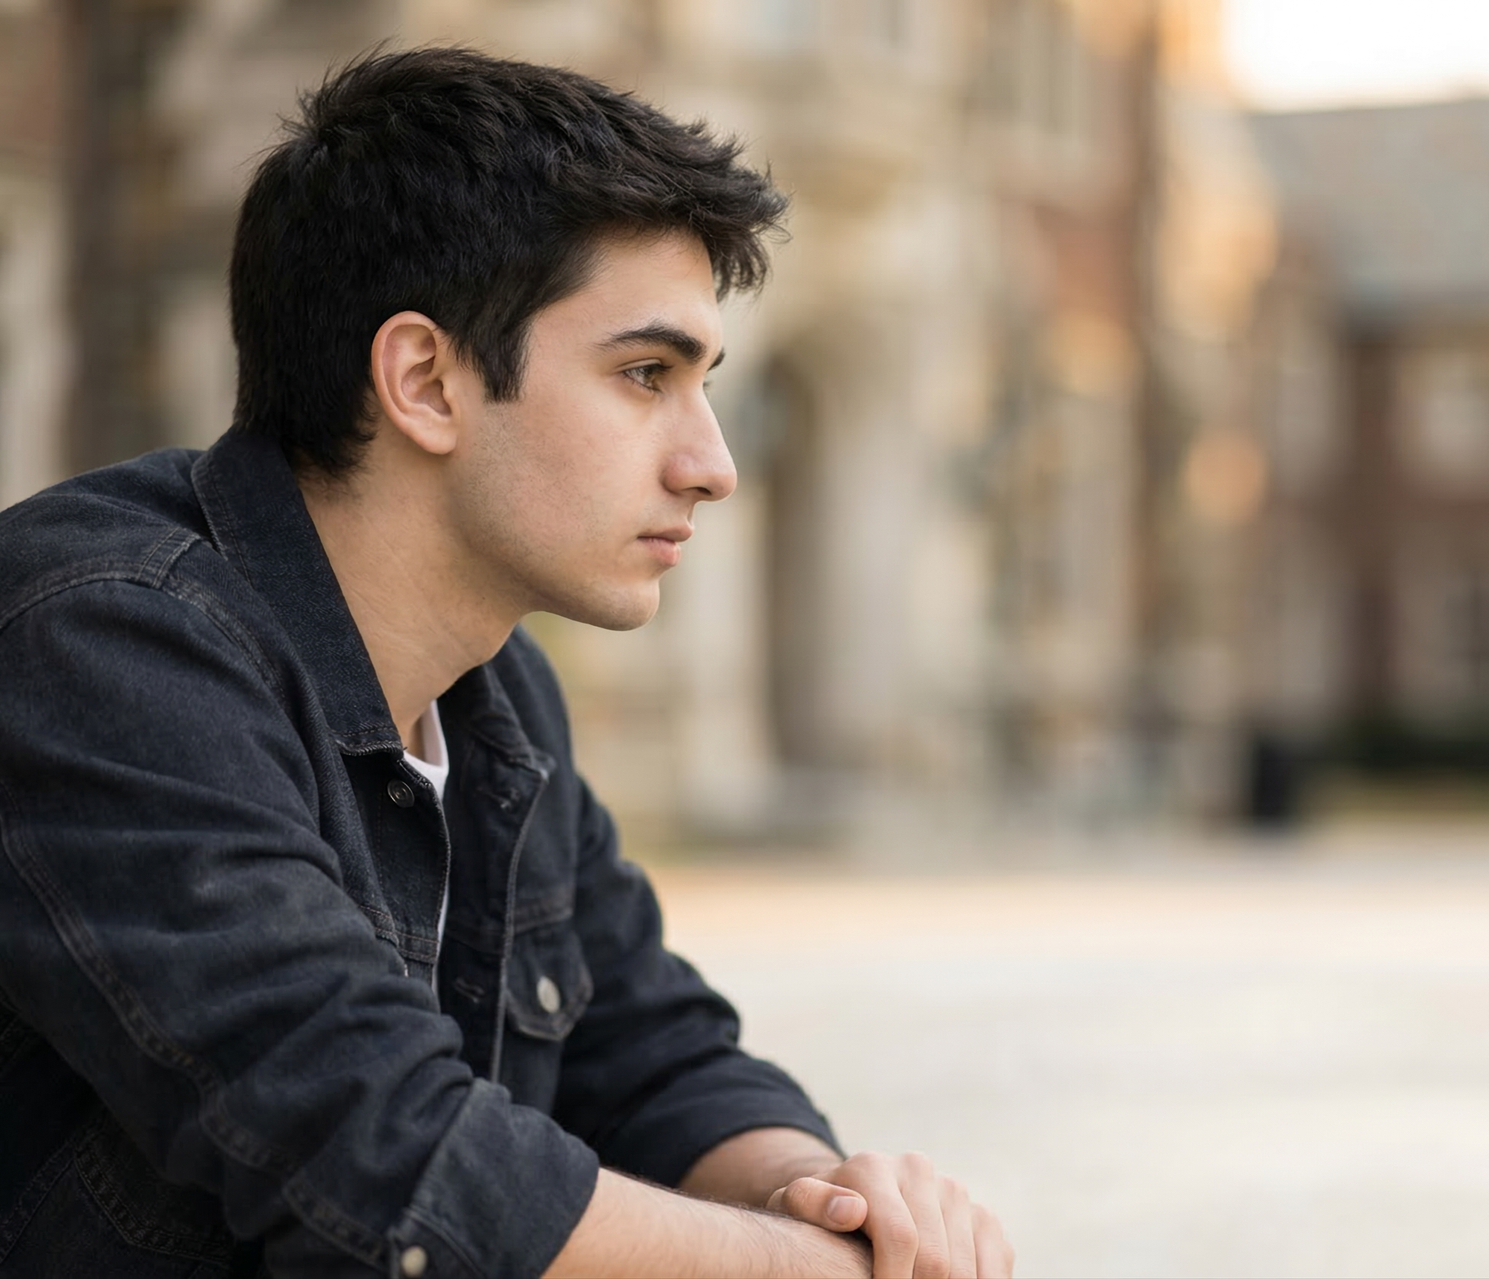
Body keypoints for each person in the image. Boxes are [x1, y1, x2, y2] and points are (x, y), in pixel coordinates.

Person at [0, 47, 1010, 1279]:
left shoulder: (495, 693)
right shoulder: (105, 640)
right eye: (646, 375)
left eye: (704, 386)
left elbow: (651, 1047)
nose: (712, 462)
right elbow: (383, 1157)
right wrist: (801, 1269)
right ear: (425, 381)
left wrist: (831, 1195)